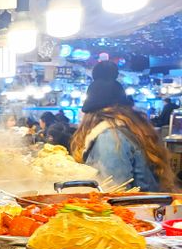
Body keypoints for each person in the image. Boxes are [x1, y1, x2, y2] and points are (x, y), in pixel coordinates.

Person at [70, 61, 175, 192]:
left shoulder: (110, 138)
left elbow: (112, 194)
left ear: (90, 113)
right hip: (146, 209)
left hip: (133, 211)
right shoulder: (131, 130)